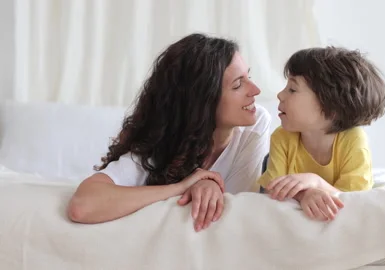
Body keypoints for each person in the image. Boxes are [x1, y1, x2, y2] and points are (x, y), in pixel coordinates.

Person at [67, 33, 271, 232]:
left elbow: (236, 208)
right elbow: (82, 206)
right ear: (201, 102)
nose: (255, 90)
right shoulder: (157, 150)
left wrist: (209, 185)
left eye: (248, 76)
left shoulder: (255, 125)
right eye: (238, 84)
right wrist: (182, 188)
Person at [257, 46, 385, 222]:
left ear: (331, 107)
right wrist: (306, 194)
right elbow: (273, 191)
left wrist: (316, 182)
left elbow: (355, 198)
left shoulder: (354, 140)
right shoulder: (282, 136)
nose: (280, 95)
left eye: (292, 89)